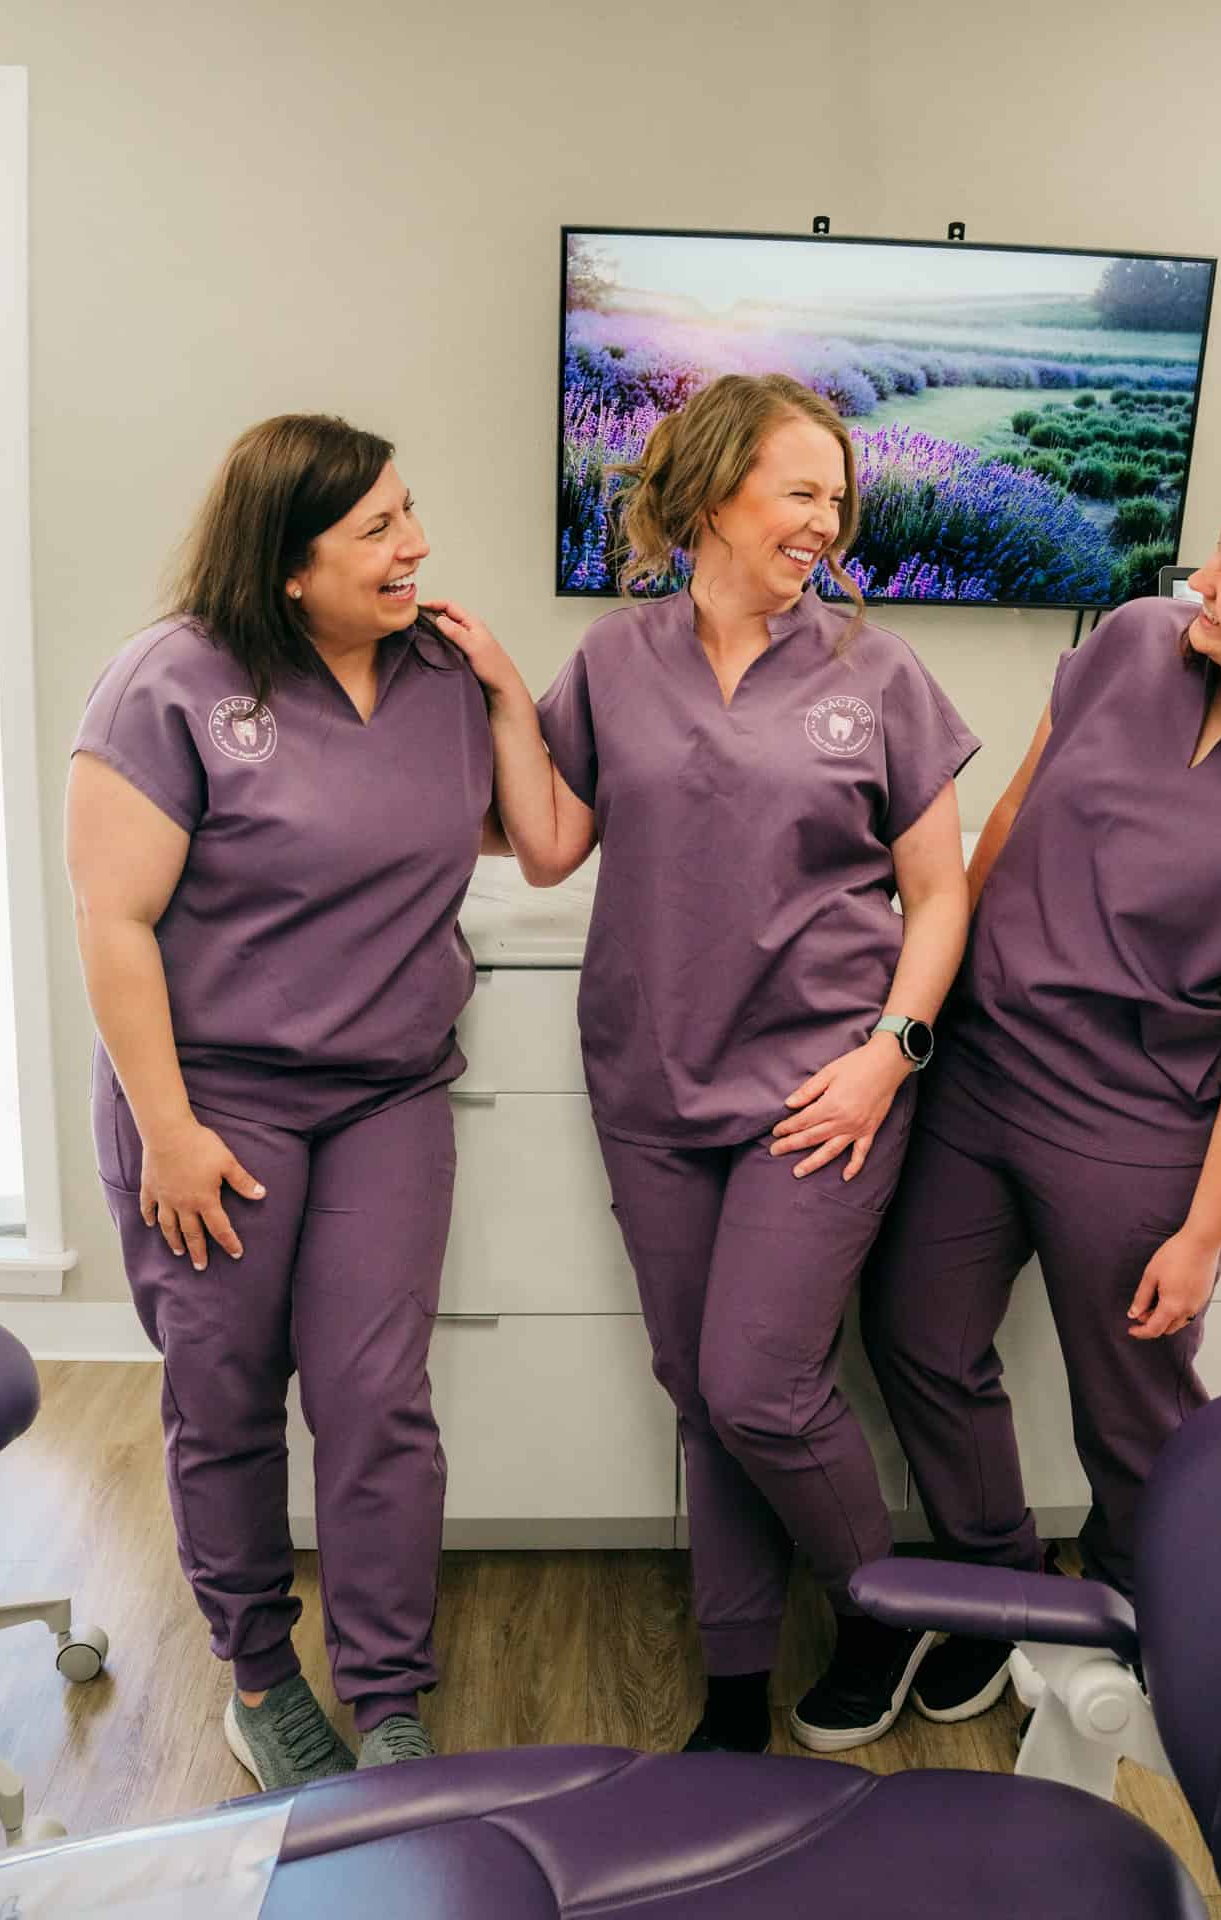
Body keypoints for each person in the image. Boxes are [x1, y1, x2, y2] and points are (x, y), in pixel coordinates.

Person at [426, 373, 978, 1754]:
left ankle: (883, 1607)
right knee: (701, 1393)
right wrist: (500, 689)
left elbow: (944, 893)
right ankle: (734, 1679)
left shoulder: (880, 673)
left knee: (759, 1384)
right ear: (719, 491)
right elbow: (551, 846)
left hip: (821, 1087)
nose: (828, 520)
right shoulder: (615, 661)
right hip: (653, 1081)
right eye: (802, 490)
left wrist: (889, 1056)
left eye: (838, 497)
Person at [860, 465, 1221, 1725]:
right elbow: (1012, 811)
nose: (1200, 585)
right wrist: (931, 1002)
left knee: (1135, 1415)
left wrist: (1203, 1233)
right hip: (984, 1067)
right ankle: (1000, 1581)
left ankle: (1143, 1610)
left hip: (1136, 1128)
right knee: (915, 1333)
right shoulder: (1129, 643)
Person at [65, 414, 500, 1787]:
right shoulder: (171, 682)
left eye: (409, 510)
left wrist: (511, 692)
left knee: (378, 1399)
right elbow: (113, 920)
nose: (414, 542)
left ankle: (386, 1697)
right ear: (286, 558)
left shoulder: (439, 673)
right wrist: (171, 1132)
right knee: (229, 1395)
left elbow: (531, 836)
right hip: (214, 1104)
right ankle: (259, 1676)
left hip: (386, 1092)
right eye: (376, 525)